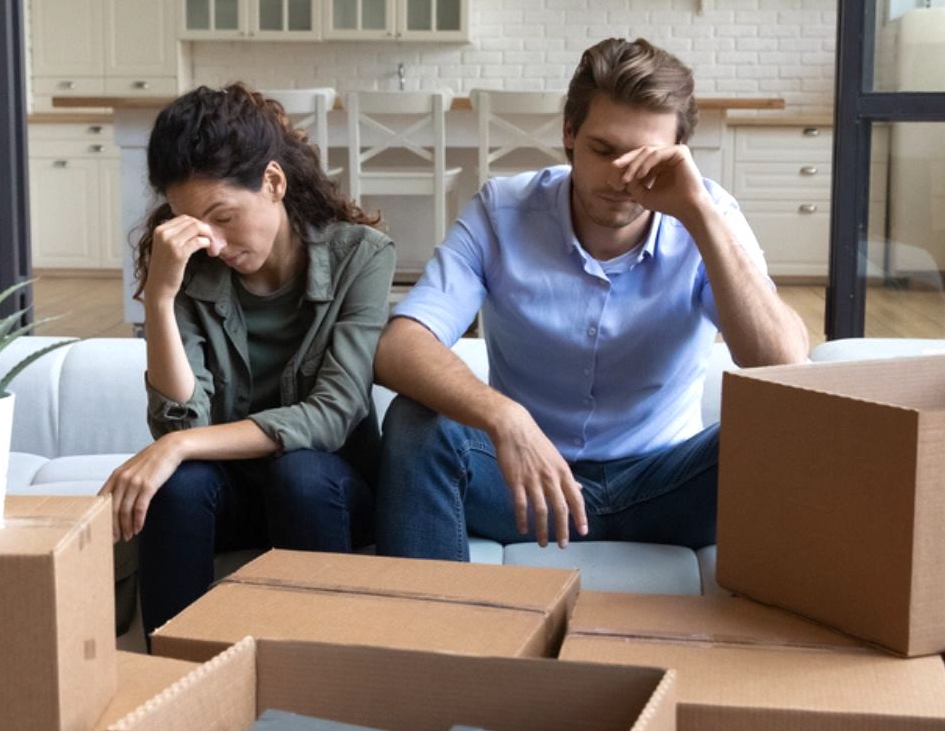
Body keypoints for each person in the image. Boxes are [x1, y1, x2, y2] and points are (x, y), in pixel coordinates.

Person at [373, 38, 810, 561]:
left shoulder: (709, 214)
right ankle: (430, 637)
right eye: (604, 151)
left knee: (791, 429)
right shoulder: (502, 211)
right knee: (413, 424)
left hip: (668, 484)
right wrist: (505, 418)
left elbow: (785, 362)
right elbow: (400, 346)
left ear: (679, 153)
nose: (622, 177)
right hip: (523, 484)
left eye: (645, 157)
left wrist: (697, 215)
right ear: (569, 135)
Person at [101, 84, 396, 632]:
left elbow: (333, 413)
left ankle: (319, 675)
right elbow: (178, 418)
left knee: (300, 475)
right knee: (177, 485)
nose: (211, 243)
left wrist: (180, 444)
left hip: (326, 493)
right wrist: (161, 298)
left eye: (223, 217)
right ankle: (174, 681)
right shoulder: (189, 266)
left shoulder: (361, 256)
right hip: (232, 494)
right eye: (192, 224)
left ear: (274, 182)